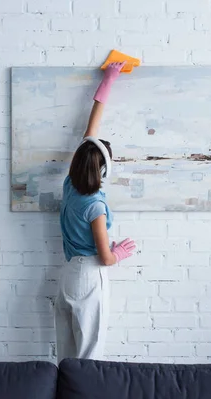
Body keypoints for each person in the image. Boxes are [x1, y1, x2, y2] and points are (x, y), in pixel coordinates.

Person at [55, 62, 137, 363]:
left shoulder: (69, 186)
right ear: (103, 169)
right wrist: (119, 253)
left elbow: (91, 132)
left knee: (66, 355)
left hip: (68, 274)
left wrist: (109, 79)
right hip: (89, 276)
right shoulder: (95, 206)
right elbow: (105, 257)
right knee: (90, 355)